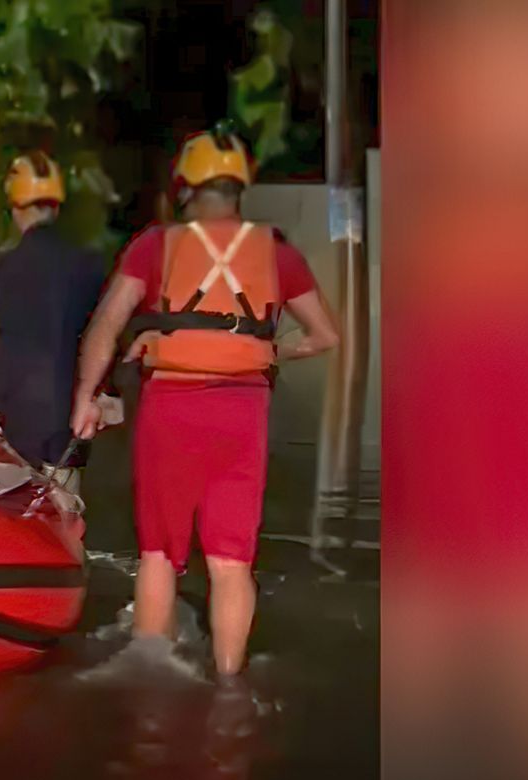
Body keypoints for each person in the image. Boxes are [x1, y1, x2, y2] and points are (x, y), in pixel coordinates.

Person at [69, 125, 339, 678]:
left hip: (172, 409)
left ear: (187, 188)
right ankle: (230, 684)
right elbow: (324, 336)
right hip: (243, 413)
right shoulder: (277, 252)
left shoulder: (155, 246)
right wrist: (266, 350)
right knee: (231, 563)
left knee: (158, 556)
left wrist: (86, 397)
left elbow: (106, 325)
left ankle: (149, 686)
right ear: (241, 188)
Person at [0, 151, 108, 493]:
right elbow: (101, 334)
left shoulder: (1, 270)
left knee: (24, 513)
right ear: (57, 207)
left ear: (15, 208)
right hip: (70, 414)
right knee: (67, 511)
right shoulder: (90, 263)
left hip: (19, 418)